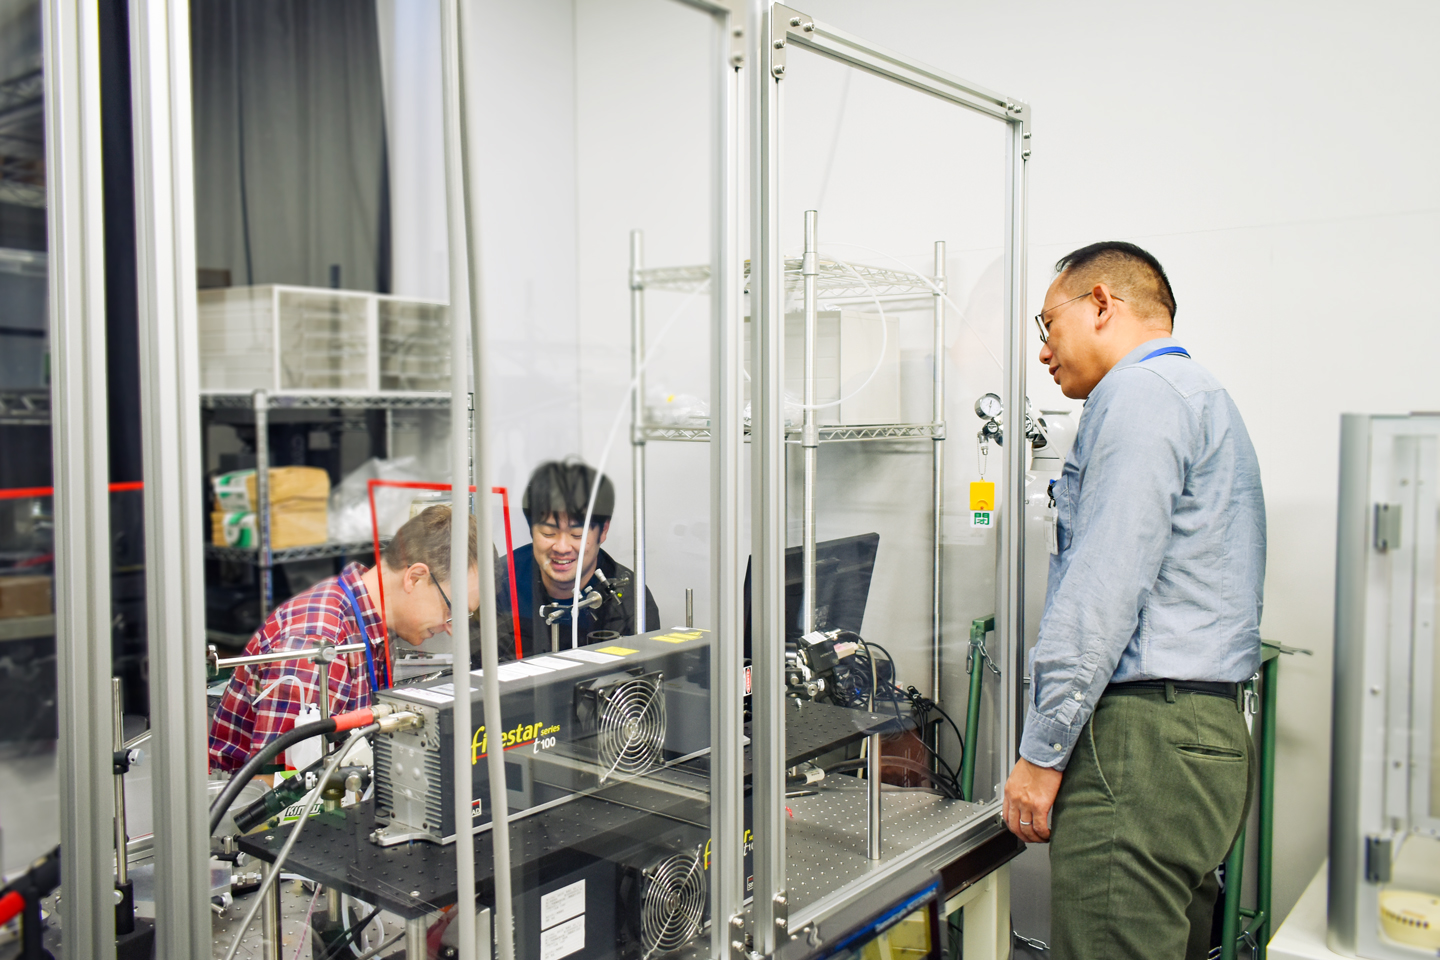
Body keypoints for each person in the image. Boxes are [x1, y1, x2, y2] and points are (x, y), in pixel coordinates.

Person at [1001, 241, 1265, 960]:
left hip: (1139, 743)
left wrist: (1042, 752)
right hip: (1199, 742)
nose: (1044, 352)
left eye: (1046, 325)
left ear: (1101, 305)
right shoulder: (1201, 395)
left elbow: (1105, 586)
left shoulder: (1139, 397)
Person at [208, 505, 480, 773]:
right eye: (451, 609)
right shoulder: (321, 642)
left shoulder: (372, 623)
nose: (451, 628)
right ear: (416, 577)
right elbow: (278, 789)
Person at [498, 459, 659, 659]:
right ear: (531, 530)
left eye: (577, 535)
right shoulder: (501, 583)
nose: (562, 548)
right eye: (548, 533)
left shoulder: (629, 602)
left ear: (603, 531)